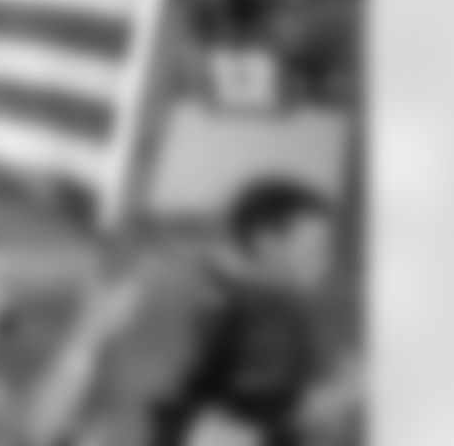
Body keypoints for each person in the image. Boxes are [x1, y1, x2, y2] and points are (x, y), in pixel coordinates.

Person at [150, 177, 361, 446]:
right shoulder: (261, 309)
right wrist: (350, 390)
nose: (325, 261)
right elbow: (256, 412)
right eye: (315, 248)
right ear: (267, 241)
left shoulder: (243, 300)